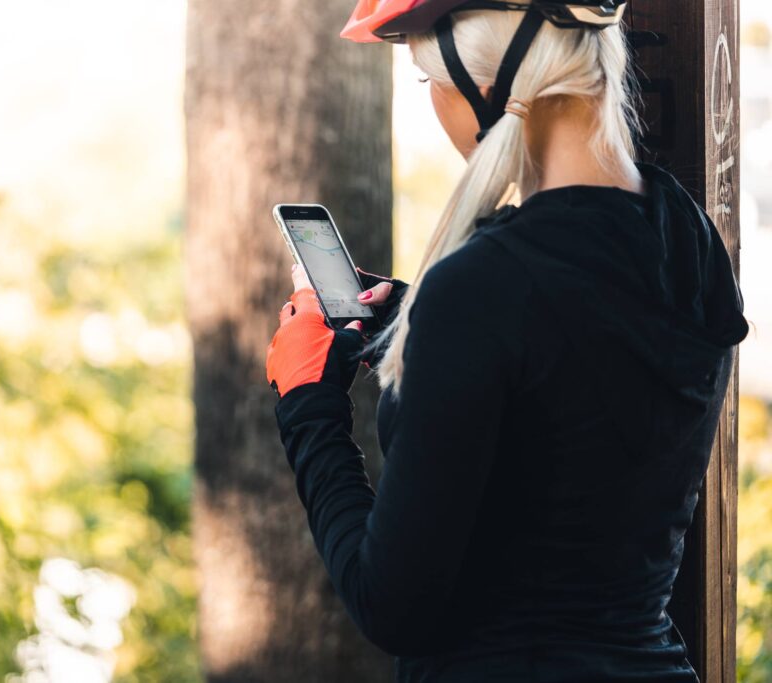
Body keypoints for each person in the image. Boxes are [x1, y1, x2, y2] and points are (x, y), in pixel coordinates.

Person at [263, 0, 751, 681]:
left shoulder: (485, 288)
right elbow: (573, 369)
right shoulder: (685, 237)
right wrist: (411, 319)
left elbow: (391, 606)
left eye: (427, 78)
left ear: (485, 82)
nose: (434, 103)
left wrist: (308, 406)